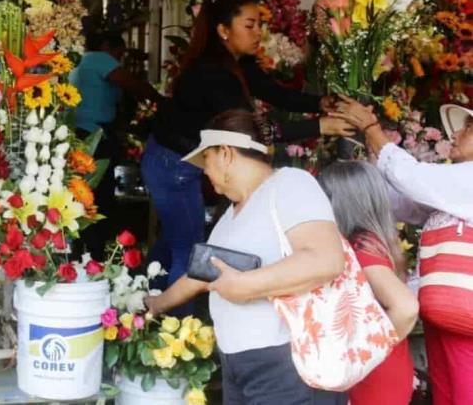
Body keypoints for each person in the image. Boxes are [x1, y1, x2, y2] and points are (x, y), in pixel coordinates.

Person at [141, 0, 353, 307]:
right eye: (250, 25)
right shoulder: (213, 74)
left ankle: (144, 300)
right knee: (188, 245)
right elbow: (247, 132)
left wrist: (319, 104)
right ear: (224, 30)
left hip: (178, 158)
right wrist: (320, 127)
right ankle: (173, 328)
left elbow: (274, 92)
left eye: (260, 25)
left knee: (175, 236)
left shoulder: (237, 63)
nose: (259, 33)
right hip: (174, 164)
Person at [145, 109, 347, 405]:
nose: (204, 171)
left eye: (207, 160)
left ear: (225, 154)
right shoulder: (229, 216)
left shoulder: (290, 184)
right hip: (238, 364)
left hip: (287, 365)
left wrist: (246, 285)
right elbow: (201, 275)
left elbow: (325, 260)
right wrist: (155, 305)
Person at [333, 97, 473, 405]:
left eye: (468, 127)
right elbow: (398, 202)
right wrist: (365, 154)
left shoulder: (468, 180)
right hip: (445, 319)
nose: (457, 134)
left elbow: (411, 178)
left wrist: (371, 129)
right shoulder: (452, 189)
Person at [318, 161, 418, 405]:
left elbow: (405, 308)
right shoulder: (374, 241)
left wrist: (365, 353)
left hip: (373, 376)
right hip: (386, 370)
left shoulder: (360, 247)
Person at [69, 32, 162, 259]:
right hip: (93, 135)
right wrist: (160, 99)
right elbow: (130, 84)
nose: (117, 61)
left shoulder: (80, 62)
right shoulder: (99, 58)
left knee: (83, 193)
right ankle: (95, 251)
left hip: (81, 134)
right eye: (117, 55)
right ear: (106, 45)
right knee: (99, 195)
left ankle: (82, 249)